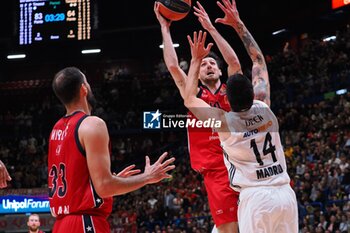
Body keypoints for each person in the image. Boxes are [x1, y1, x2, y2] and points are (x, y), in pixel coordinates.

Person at [183, 1, 298, 232]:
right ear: (252, 90)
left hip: (255, 198)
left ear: (229, 103)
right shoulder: (265, 106)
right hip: (285, 193)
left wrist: (196, 60)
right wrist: (238, 24)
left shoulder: (224, 122)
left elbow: (189, 99)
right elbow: (257, 60)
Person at [48, 67, 175, 232]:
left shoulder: (56, 129)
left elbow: (78, 182)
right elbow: (105, 187)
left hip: (61, 225)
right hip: (85, 222)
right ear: (83, 89)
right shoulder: (92, 124)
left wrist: (109, 181)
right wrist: (147, 177)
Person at [154, 2, 241, 232]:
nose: (209, 65)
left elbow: (234, 63)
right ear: (198, 74)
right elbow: (173, 66)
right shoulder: (193, 95)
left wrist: (211, 28)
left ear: (220, 71)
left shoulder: (232, 90)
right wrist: (165, 27)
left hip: (242, 164)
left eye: (213, 63)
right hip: (216, 172)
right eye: (204, 64)